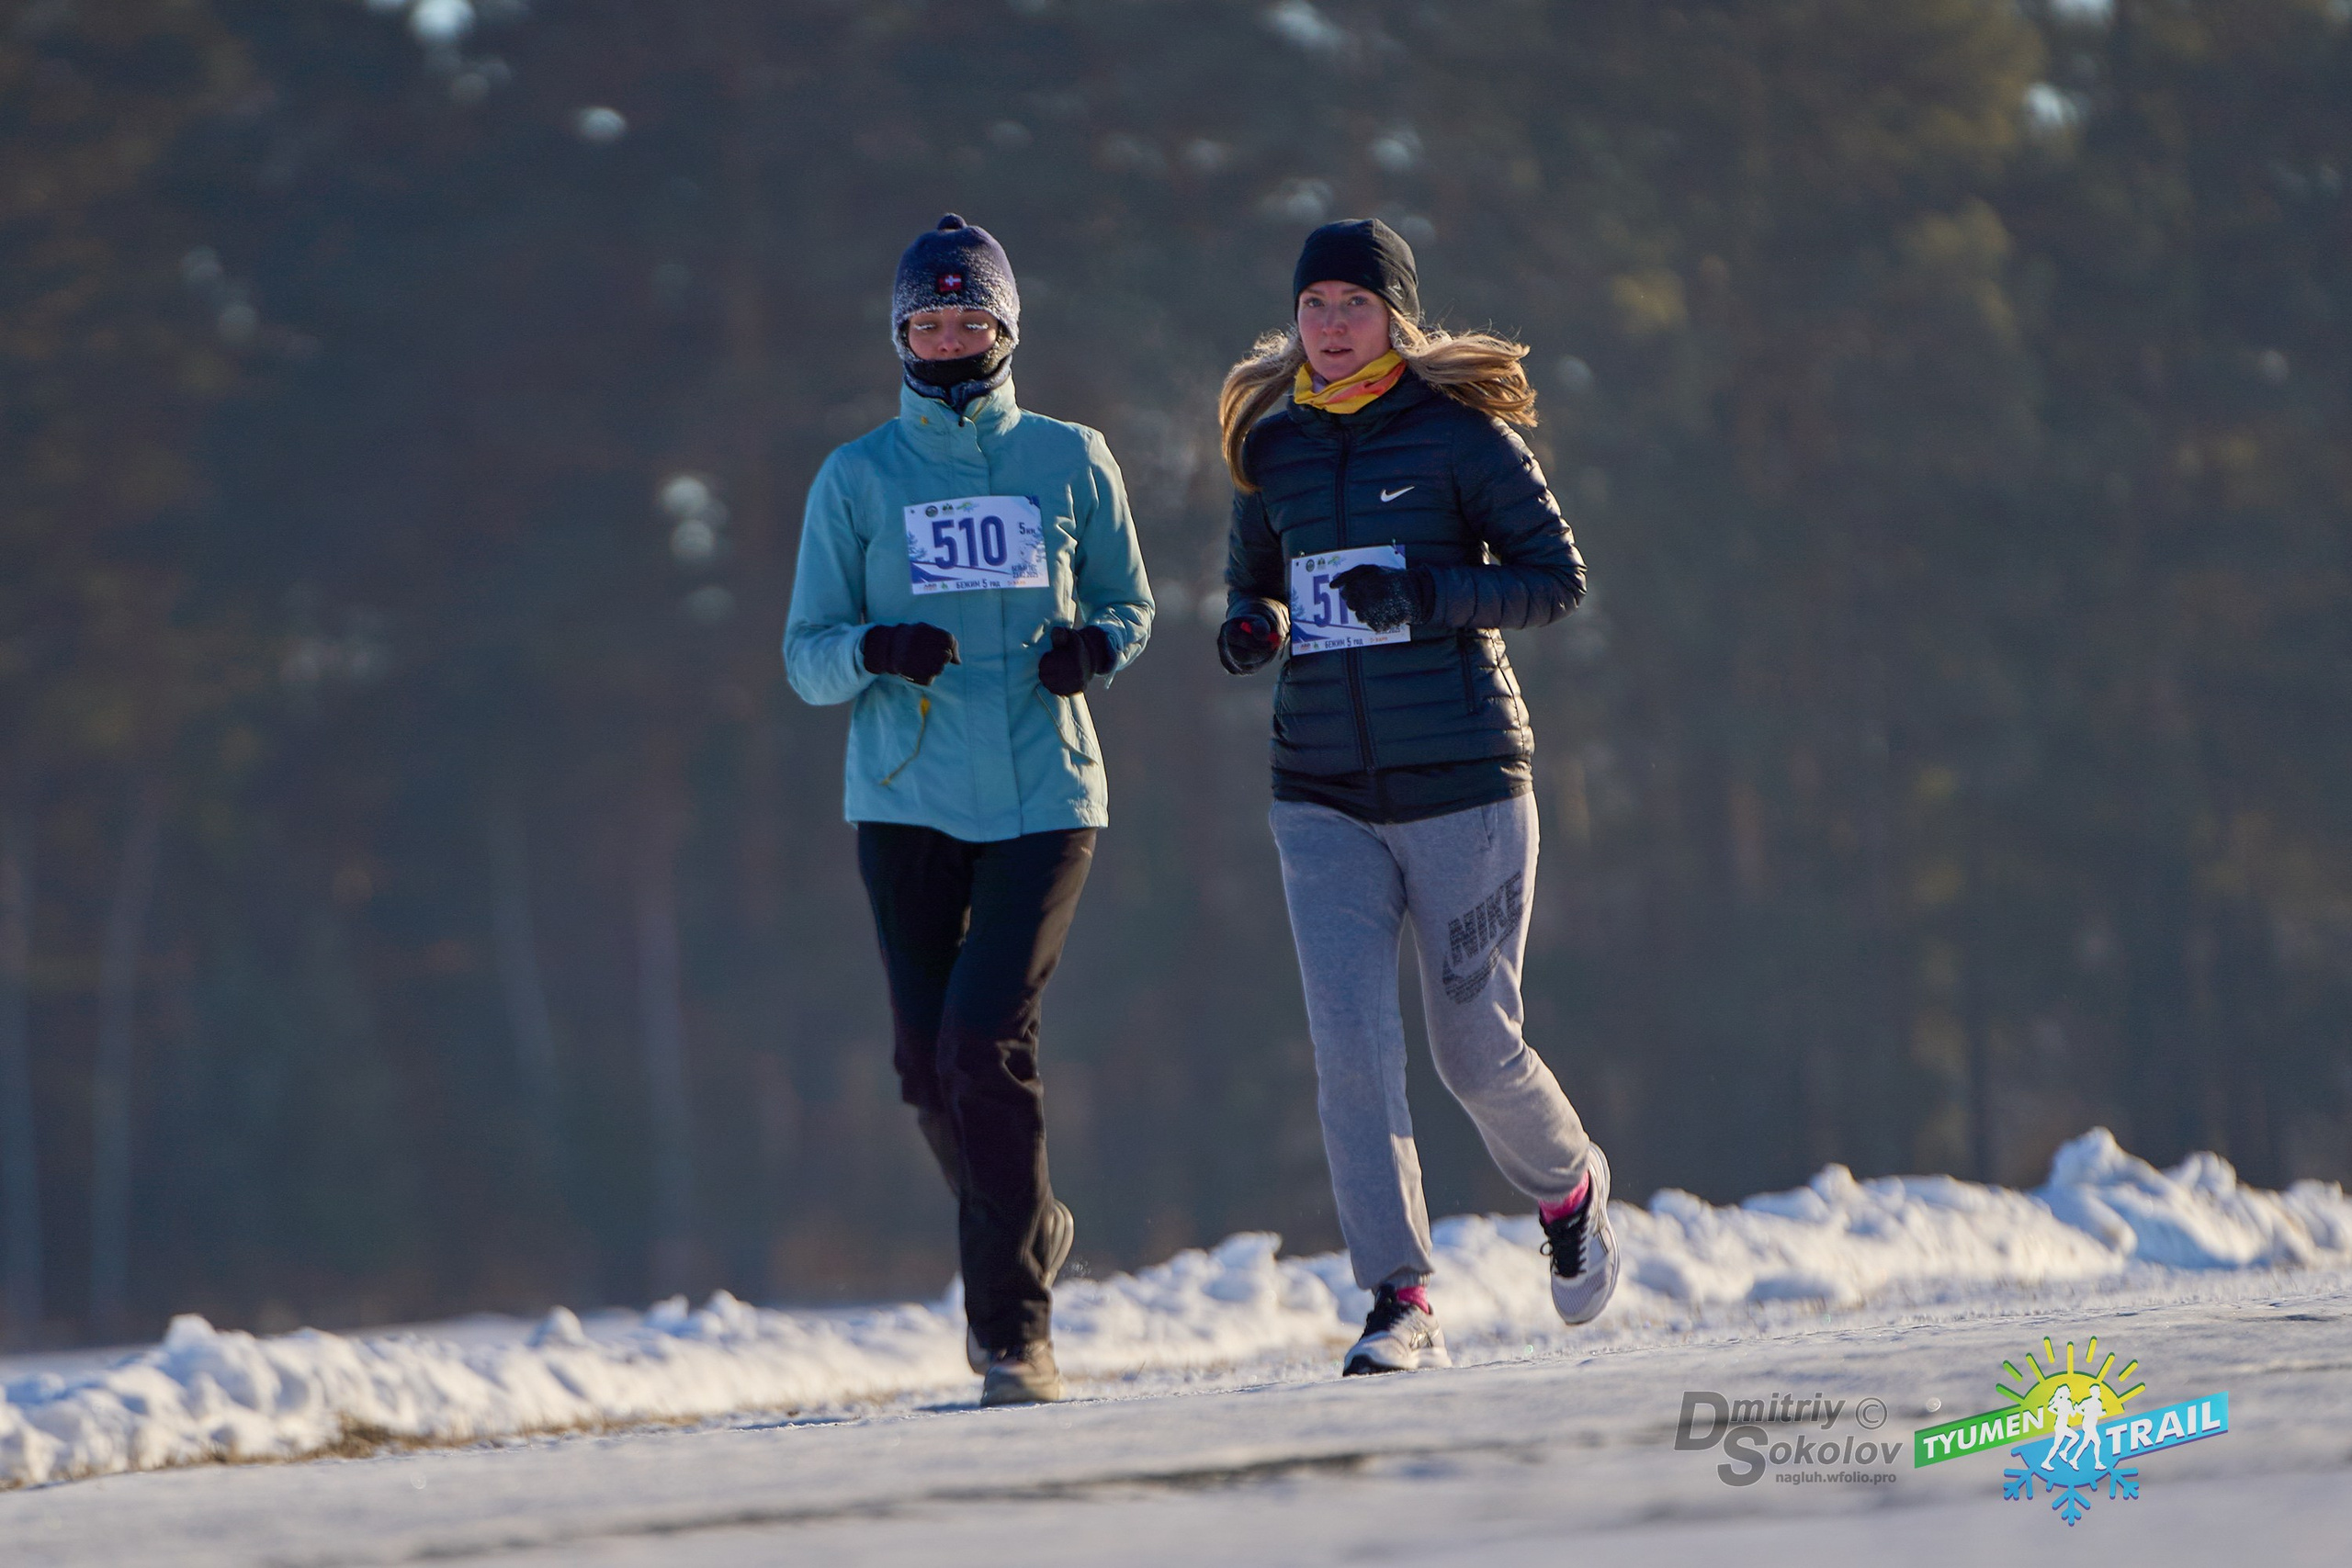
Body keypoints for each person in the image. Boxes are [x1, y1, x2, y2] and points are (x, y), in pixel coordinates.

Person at [1216, 219, 1616, 1375]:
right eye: (1313, 305)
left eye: (1353, 303)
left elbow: (1556, 580)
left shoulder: (1462, 438)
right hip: (1319, 792)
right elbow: (1255, 581)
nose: (1330, 325)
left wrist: (1425, 594)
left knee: (1473, 1050)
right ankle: (1400, 1300)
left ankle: (1571, 1190)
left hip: (1463, 784)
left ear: (1395, 316)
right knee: (1350, 1051)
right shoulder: (1274, 445)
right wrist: (1253, 627)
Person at [786, 214, 1153, 1405]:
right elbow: (806, 655)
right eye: (928, 319)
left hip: (1048, 791)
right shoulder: (857, 477)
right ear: (900, 333)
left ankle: (1013, 1332)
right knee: (920, 1065)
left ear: (1006, 328)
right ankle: (1027, 1219)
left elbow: (1129, 602)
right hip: (905, 801)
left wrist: (1092, 647)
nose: (950, 335)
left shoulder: (1071, 456)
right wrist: (878, 647)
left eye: (970, 316)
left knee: (982, 1042)